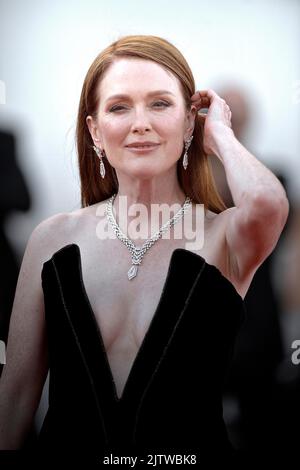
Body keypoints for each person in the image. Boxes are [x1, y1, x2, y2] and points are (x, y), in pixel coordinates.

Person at [0, 35, 289, 465]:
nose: (140, 122)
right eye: (119, 107)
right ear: (94, 130)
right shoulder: (52, 239)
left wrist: (222, 137)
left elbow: (267, 204)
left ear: (191, 123)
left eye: (159, 104)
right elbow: (17, 397)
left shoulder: (225, 235)